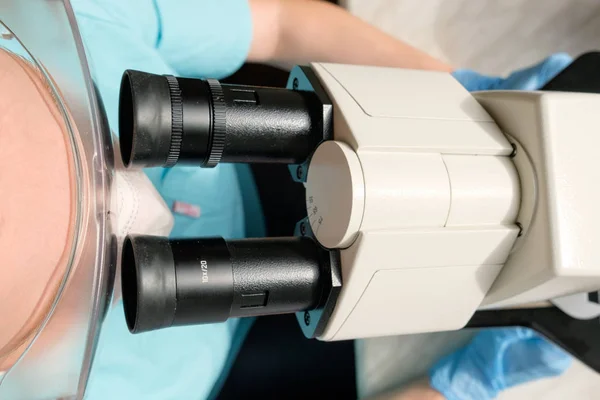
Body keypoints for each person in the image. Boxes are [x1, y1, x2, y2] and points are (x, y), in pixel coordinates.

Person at [69, 1, 572, 399]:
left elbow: (282, 25)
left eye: (76, 148)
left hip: (258, 160)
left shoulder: (76, 21)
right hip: (243, 358)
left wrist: (454, 103)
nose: (136, 203)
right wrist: (460, 386)